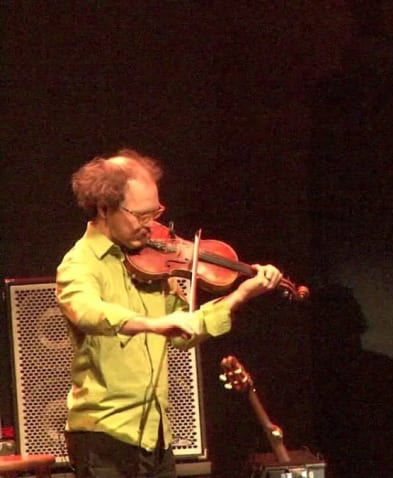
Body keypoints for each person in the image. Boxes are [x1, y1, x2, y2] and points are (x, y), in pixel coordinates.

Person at [56, 149, 284, 478]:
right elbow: (87, 312)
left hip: (156, 434)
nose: (152, 226)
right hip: (105, 437)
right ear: (105, 208)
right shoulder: (80, 263)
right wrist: (155, 323)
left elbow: (184, 331)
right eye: (141, 215)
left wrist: (240, 295)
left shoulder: (149, 263)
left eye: (155, 212)